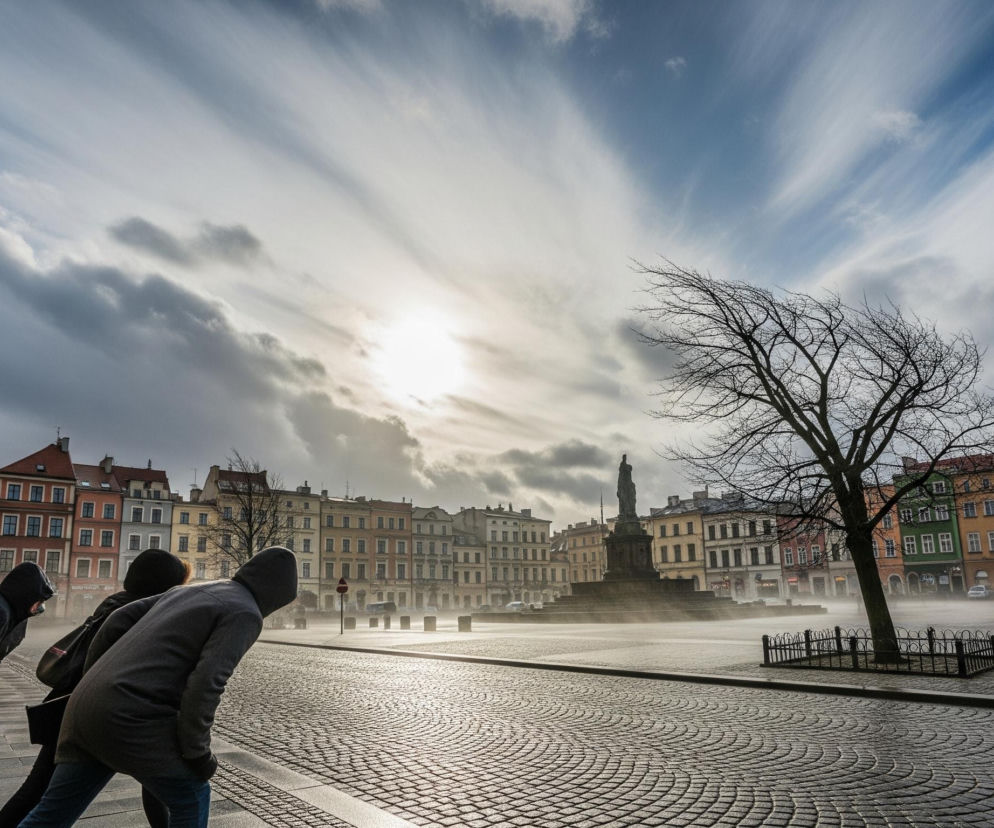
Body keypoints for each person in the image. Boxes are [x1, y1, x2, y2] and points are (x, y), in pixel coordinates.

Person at [19, 546, 298, 828]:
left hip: (83, 708)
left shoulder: (193, 590)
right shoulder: (245, 612)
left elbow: (118, 620)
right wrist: (197, 753)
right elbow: (206, 684)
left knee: (50, 815)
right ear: (277, 595)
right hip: (127, 719)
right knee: (191, 797)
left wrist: (95, 680)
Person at [0, 549, 190, 827]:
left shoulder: (116, 604)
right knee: (42, 798)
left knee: (39, 793)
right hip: (98, 716)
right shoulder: (142, 616)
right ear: (166, 585)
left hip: (78, 706)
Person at [0, 562, 54, 663]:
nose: (37, 608)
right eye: (38, 601)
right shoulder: (2, 612)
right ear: (25, 594)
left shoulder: (14, 613)